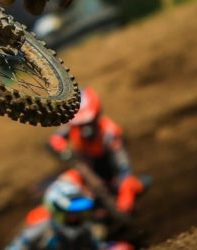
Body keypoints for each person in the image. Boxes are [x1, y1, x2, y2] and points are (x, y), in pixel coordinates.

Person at [47, 87, 145, 215]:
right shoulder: (72, 128)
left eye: (88, 123)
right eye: (80, 125)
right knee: (65, 183)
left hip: (110, 176)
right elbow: (56, 139)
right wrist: (61, 148)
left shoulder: (109, 133)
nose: (84, 130)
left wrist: (125, 193)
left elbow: (123, 166)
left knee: (130, 189)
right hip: (85, 170)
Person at [6, 169, 132, 250]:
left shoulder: (83, 229)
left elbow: (96, 246)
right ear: (58, 212)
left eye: (78, 212)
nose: (76, 216)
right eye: (71, 213)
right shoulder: (43, 230)